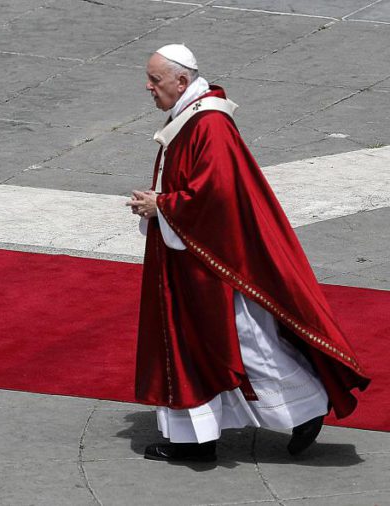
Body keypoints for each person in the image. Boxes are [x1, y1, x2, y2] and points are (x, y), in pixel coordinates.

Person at [126, 44, 370, 462]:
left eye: (155, 79)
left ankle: (306, 407)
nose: (148, 87)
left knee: (243, 343)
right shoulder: (191, 115)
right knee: (205, 345)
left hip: (216, 264)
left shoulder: (210, 125)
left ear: (181, 81)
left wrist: (162, 205)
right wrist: (161, 202)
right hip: (192, 254)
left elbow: (216, 194)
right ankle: (195, 439)